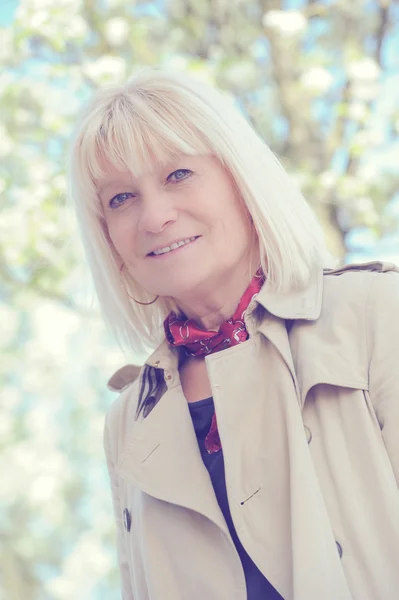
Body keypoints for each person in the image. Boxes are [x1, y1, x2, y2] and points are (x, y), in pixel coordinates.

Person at [68, 67, 399, 600]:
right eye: (120, 199)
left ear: (241, 181)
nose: (155, 217)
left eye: (178, 174)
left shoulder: (376, 315)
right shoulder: (128, 421)